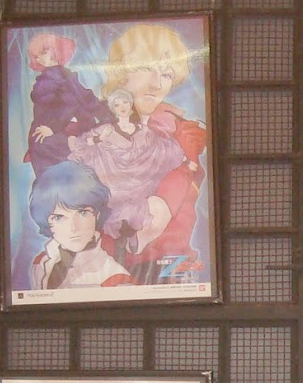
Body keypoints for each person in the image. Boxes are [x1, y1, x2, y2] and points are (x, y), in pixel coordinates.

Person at [98, 22, 210, 275]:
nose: (157, 84)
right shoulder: (90, 128)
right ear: (121, 71)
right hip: (100, 272)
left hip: (166, 272)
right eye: (145, 68)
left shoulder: (182, 136)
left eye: (167, 74)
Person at [67, 87, 190, 249]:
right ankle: (125, 234)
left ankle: (135, 237)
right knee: (117, 206)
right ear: (113, 109)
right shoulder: (106, 130)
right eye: (117, 104)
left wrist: (183, 158)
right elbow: (81, 145)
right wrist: (100, 138)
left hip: (141, 183)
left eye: (125, 102)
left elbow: (161, 148)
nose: (122, 107)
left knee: (148, 207)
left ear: (131, 105)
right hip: (114, 184)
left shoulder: (143, 131)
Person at [26, 162, 134, 292]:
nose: (73, 227)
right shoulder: (41, 263)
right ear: (47, 222)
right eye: (59, 217)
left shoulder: (117, 280)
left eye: (83, 213)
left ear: (97, 215)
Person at [23, 32, 102, 177]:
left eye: (43, 52)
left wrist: (53, 127)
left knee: (60, 177)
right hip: (44, 135)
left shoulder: (63, 77)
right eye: (36, 56)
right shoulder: (51, 77)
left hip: (54, 136)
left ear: (56, 51)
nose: (40, 58)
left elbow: (76, 103)